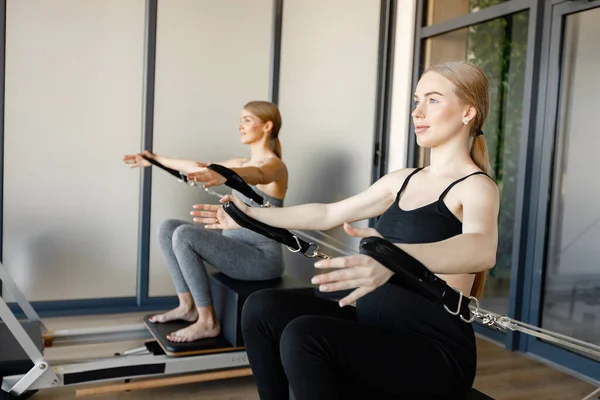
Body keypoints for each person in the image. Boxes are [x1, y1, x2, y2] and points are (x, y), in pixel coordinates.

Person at [192, 61, 500, 399]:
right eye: (416, 100)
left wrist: (393, 259)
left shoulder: (475, 186)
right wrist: (251, 215)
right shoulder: (402, 180)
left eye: (433, 100)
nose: (417, 112)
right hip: (377, 329)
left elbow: (481, 248)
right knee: (262, 307)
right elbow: (327, 213)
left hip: (432, 352)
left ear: (468, 112)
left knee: (303, 335)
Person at [123, 101, 288, 343]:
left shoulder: (274, 166)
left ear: (267, 126)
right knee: (169, 228)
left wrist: (227, 175)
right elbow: (196, 166)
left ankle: (207, 322)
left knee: (185, 235)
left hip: (261, 260)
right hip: (236, 249)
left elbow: (259, 175)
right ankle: (187, 305)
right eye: (240, 120)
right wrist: (155, 159)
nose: (239, 126)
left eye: (247, 120)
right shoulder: (240, 162)